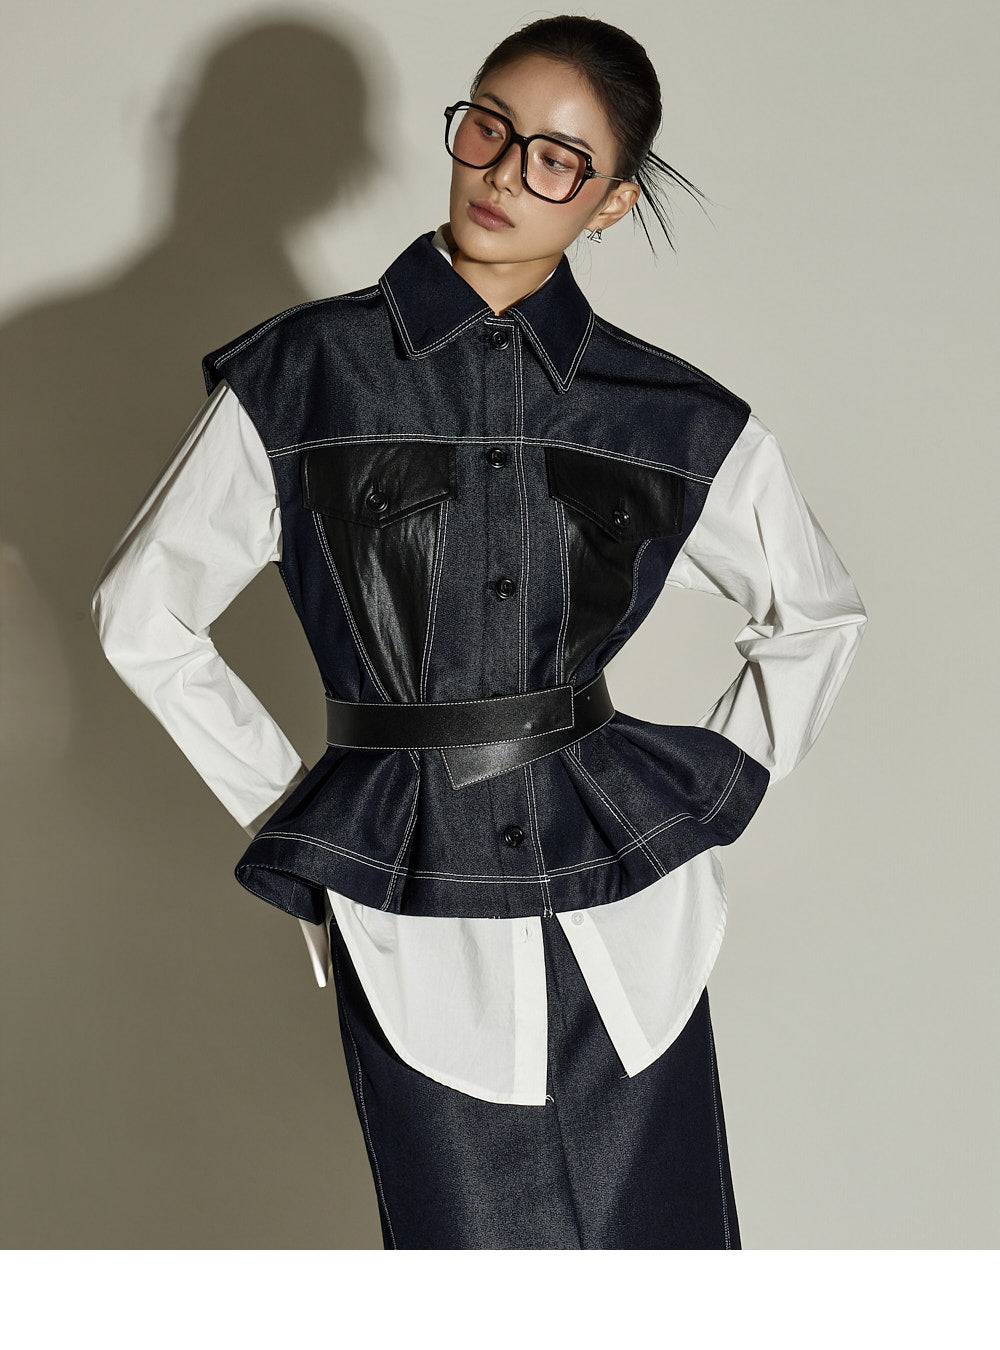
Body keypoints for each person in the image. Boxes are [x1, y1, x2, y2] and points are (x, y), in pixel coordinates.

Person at [90, 14, 868, 1249]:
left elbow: (816, 611)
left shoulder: (667, 413)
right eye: (489, 130)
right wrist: (301, 813)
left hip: (628, 921)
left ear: (610, 203)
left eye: (558, 159)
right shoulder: (304, 373)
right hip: (411, 902)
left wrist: (716, 781)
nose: (505, 173)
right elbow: (144, 614)